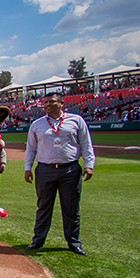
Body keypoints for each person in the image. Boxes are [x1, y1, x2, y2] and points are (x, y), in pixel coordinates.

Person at [24, 92, 95, 256]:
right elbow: (31, 149)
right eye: (46, 102)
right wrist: (28, 168)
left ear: (62, 103)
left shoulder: (76, 120)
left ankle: (74, 242)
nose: (48, 104)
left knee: (71, 208)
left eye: (52, 101)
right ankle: (38, 240)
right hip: (45, 169)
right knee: (43, 207)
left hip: (70, 169)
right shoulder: (37, 124)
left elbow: (86, 144)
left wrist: (89, 165)